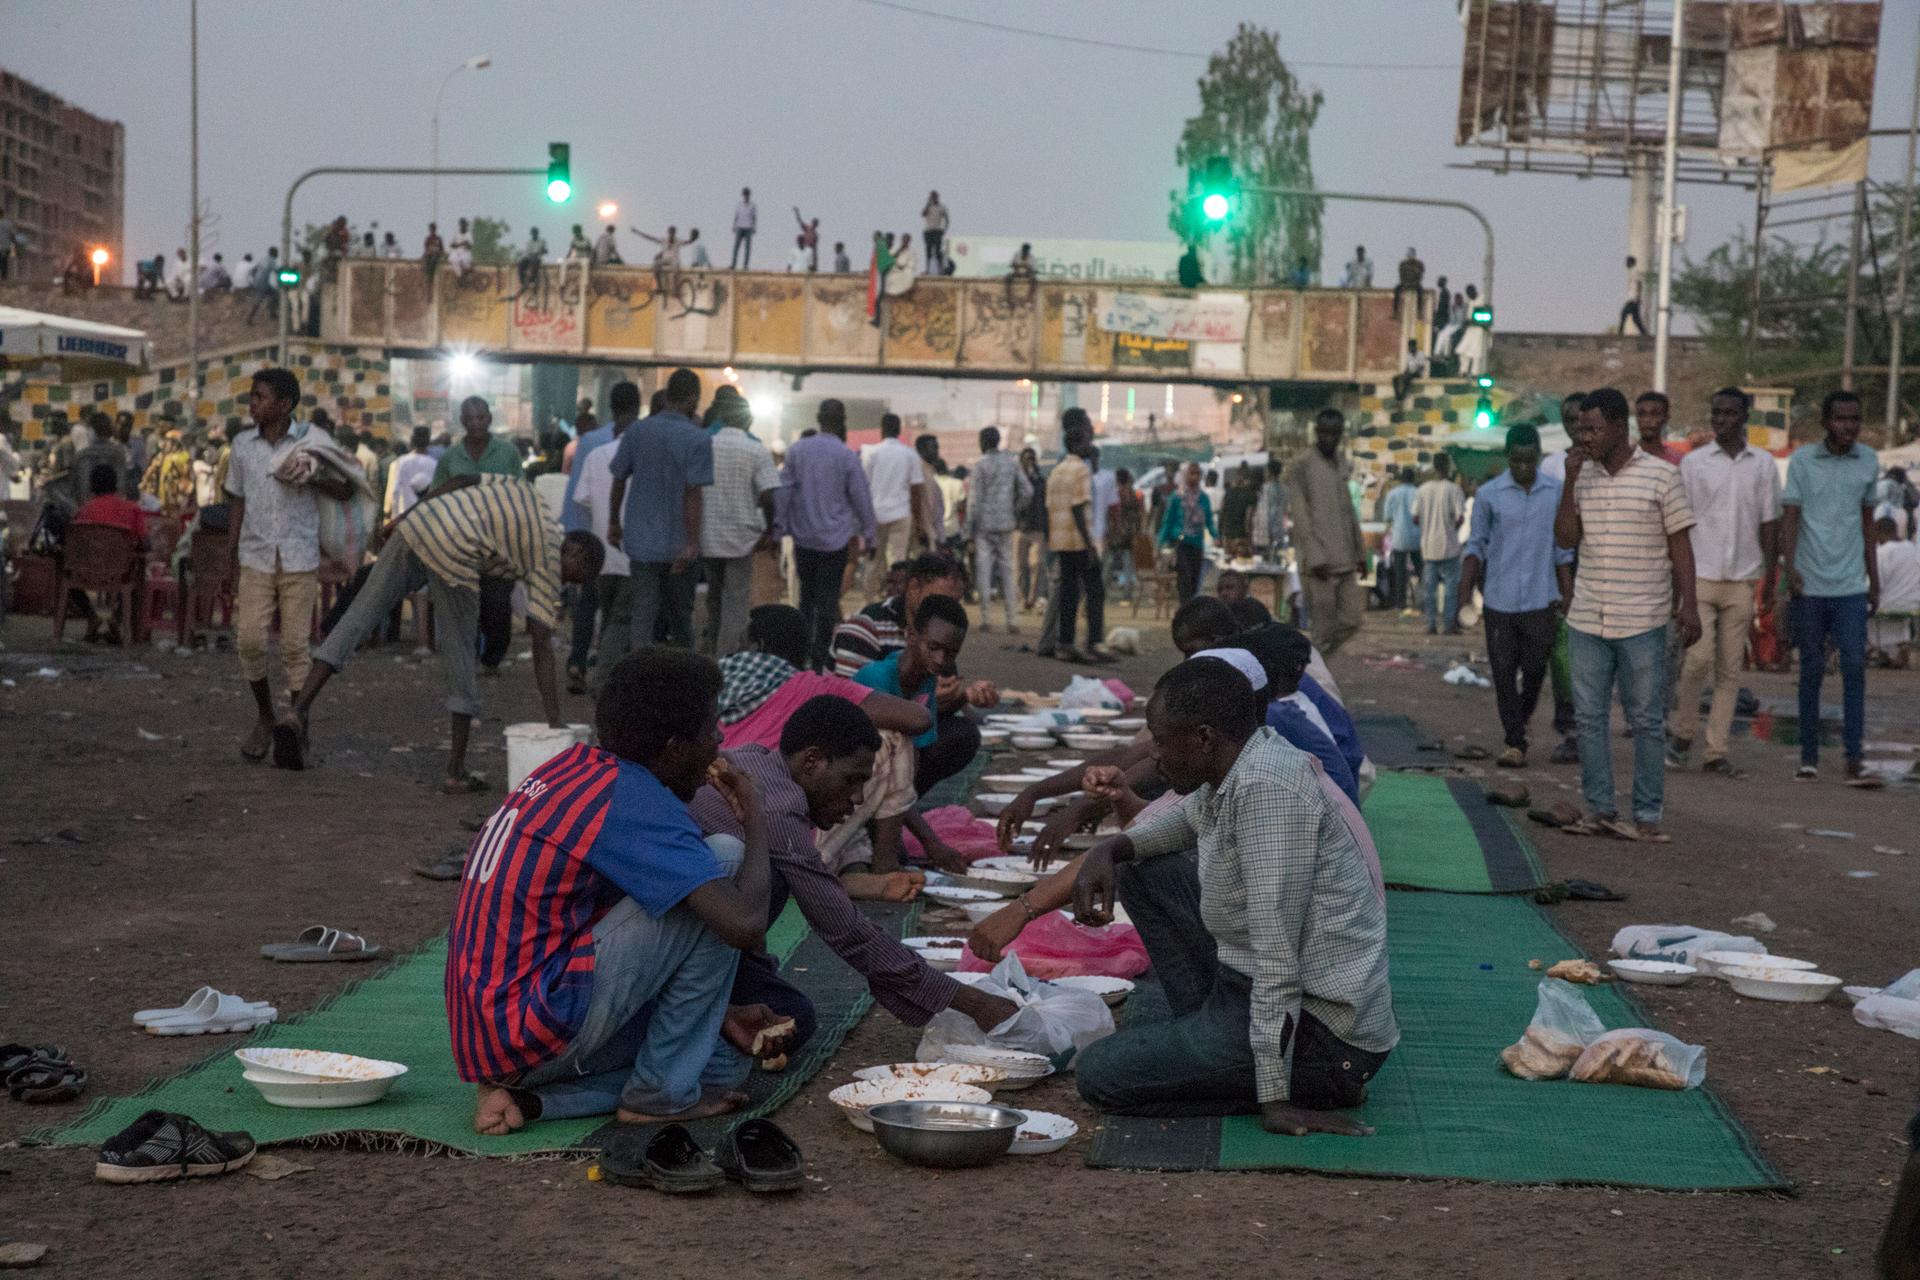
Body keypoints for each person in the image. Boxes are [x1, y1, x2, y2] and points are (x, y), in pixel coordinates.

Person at [449, 647, 784, 1134]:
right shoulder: (631, 799)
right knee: (726, 857)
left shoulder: (573, 768)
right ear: (673, 748)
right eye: (712, 729)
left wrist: (717, 1012)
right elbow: (745, 927)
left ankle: (536, 1102)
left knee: (723, 1065)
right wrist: (755, 817)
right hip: (529, 1026)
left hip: (494, 1034)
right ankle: (659, 1096)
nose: (721, 741)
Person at [1068, 657, 1397, 1132]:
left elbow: (1277, 959)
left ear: (1203, 737)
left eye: (1161, 741)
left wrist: (1274, 1097)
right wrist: (1111, 848)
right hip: (1251, 990)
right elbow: (1181, 822)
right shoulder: (1243, 758)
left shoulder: (1268, 792)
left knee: (1100, 1076)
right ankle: (1212, 1043)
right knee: (1142, 871)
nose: (1154, 757)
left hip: (1323, 1035)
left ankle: (1302, 1085)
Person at [692, 692, 1018, 1062]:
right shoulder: (779, 807)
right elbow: (847, 931)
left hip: (704, 926)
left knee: (788, 1011)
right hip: (683, 941)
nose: (859, 798)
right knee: (788, 1020)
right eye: (852, 780)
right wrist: (972, 1002)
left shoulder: (757, 760)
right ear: (812, 761)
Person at [291, 471, 602, 787]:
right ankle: (455, 771)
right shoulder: (550, 559)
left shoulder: (530, 495)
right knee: (461, 654)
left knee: (354, 620)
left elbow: (462, 479)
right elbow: (540, 641)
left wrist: (407, 516)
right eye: (576, 577)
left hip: (421, 523)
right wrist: (555, 722)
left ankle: (297, 710)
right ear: (576, 552)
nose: (567, 584)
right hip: (458, 552)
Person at [1554, 387, 1700, 841]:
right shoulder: (1582, 476)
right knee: (1590, 719)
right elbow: (1564, 540)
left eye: (1595, 429)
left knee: (1645, 722)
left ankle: (1647, 816)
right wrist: (1568, 482)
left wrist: (1688, 604)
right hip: (1588, 617)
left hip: (1643, 617)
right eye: (1582, 430)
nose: (1588, 437)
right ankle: (1599, 809)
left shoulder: (1661, 476)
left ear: (1620, 427)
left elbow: (1681, 546)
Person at [224, 369, 353, 764]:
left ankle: (296, 725)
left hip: (298, 555)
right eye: (252, 396)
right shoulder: (243, 445)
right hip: (255, 555)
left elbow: (346, 487)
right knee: (249, 640)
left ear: (284, 405)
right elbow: (237, 501)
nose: (253, 403)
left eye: (260, 397)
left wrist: (311, 476)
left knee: (296, 647)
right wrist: (229, 555)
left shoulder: (314, 442)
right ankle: (266, 716)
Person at [1670, 387, 1781, 778]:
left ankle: (1715, 750)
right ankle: (1683, 733)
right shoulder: (1694, 464)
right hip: (1700, 575)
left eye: (1729, 413)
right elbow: (1679, 525)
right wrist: (1677, 584)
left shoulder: (1763, 465)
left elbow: (1770, 524)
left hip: (1743, 578)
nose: (1721, 419)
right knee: (1698, 659)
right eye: (1716, 412)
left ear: (1743, 417)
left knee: (1730, 669)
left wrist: (1769, 579)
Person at [1780, 390, 1883, 788]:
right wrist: (1791, 569)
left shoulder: (1869, 461)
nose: (1849, 426)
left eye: (1854, 419)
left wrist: (1874, 579)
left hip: (1851, 586)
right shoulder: (1803, 460)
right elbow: (1790, 519)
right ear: (1825, 422)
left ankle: (1854, 757)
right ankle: (1808, 757)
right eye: (1841, 419)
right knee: (1811, 670)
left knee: (1855, 667)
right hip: (1811, 583)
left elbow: (1868, 524)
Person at [1460, 425, 1574, 768]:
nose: (1523, 466)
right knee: (1504, 671)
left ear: (1537, 456)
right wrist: (1463, 590)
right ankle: (1514, 741)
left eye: (1529, 459)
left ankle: (1521, 717)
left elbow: (1561, 551)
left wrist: (1567, 592)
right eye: (1517, 460)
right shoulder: (1489, 495)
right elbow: (1476, 543)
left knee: (1537, 668)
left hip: (1542, 597)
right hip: (1500, 598)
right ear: (1508, 457)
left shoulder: (1554, 493)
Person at [608, 369, 713, 651]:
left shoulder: (638, 431)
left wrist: (613, 523)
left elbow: (618, 478)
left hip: (641, 541)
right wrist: (691, 543)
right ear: (694, 399)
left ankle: (641, 677)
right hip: (679, 545)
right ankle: (683, 680)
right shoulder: (698, 439)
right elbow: (693, 493)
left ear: (667, 395)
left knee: (642, 614)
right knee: (681, 618)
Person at [852, 594, 993, 797]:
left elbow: (919, 747)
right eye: (933, 647)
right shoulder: (877, 677)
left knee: (964, 734)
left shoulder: (927, 679)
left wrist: (906, 796)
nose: (940, 659)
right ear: (910, 635)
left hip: (895, 771)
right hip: (860, 772)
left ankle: (902, 806)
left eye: (950, 653)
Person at [776, 400, 877, 670]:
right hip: (835, 541)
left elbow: (784, 491)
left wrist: (778, 527)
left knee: (806, 599)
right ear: (842, 421)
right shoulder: (846, 456)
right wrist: (870, 535)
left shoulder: (797, 451)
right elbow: (861, 498)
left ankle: (801, 656)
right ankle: (821, 659)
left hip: (804, 539)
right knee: (828, 602)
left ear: (818, 419)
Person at [433, 397, 525, 674]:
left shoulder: (507, 453)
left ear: (489, 419)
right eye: (470, 418)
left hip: (500, 543)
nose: (476, 423)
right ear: (462, 421)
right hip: (460, 544)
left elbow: (520, 494)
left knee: (497, 606)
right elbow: (437, 497)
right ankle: (467, 660)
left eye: (481, 418)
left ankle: (492, 659)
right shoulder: (451, 458)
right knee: (464, 605)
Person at [562, 383, 640, 689]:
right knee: (620, 622)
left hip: (599, 553)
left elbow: (579, 498)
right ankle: (604, 680)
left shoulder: (595, 452)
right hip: (632, 552)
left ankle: (586, 665)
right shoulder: (642, 454)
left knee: (600, 613)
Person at [700, 390, 782, 658]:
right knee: (735, 601)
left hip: (707, 534)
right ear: (747, 420)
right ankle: (727, 660)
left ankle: (713, 650)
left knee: (714, 597)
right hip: (741, 536)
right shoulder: (755, 449)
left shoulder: (704, 443)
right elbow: (770, 494)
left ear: (721, 416)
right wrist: (771, 530)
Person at [1287, 409, 1366, 654]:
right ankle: (1312, 681)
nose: (1330, 438)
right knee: (1322, 630)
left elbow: (1349, 512)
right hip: (1319, 564)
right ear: (1317, 432)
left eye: (1335, 433)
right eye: (1326, 432)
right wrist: (1314, 557)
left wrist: (1361, 553)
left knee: (1353, 620)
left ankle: (1312, 667)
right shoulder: (1301, 465)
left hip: (1345, 560)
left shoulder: (1340, 463)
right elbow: (1301, 517)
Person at [1042, 410, 1111, 664]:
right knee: (1095, 591)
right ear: (1076, 444)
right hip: (1078, 540)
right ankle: (1093, 642)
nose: (1089, 445)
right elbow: (1078, 507)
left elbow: (1051, 506)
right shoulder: (1081, 469)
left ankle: (1065, 643)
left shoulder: (1057, 470)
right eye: (1085, 442)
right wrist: (1090, 543)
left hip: (1060, 541)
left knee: (1069, 594)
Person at [831, 551, 966, 678]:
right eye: (939, 600)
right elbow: (850, 696)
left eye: (955, 603)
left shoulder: (940, 634)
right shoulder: (866, 628)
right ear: (914, 588)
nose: (948, 609)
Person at [66, 463, 150, 643]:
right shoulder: (132, 510)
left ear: (92, 485)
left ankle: (93, 614)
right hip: (120, 574)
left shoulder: (84, 511)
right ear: (116, 484)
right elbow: (146, 544)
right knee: (136, 578)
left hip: (85, 574)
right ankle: (116, 620)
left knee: (65, 574)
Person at [966, 425, 1032, 633]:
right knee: (1008, 572)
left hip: (985, 525)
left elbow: (973, 501)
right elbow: (1027, 491)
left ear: (983, 442)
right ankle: (1012, 620)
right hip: (1006, 523)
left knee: (984, 572)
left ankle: (986, 619)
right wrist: (1015, 509)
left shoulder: (980, 465)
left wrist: (969, 530)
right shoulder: (1011, 464)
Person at [860, 414, 925, 595]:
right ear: (898, 430)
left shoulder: (871, 453)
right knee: (897, 560)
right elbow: (916, 490)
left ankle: (869, 600)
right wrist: (918, 522)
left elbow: (863, 486)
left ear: (882, 430)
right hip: (901, 513)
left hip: (875, 513)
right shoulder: (910, 454)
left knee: (873, 560)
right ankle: (895, 600)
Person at [1414, 453, 1466, 635]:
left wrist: (1427, 523)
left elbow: (1415, 517)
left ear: (1434, 467)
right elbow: (1460, 518)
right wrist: (1451, 526)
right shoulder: (1455, 490)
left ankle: (1430, 624)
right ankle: (1449, 624)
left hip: (1428, 546)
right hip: (1449, 545)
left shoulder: (1422, 490)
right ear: (1448, 467)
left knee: (1430, 589)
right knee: (1451, 589)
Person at [1157, 461, 1216, 604]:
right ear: (1185, 475)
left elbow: (1209, 520)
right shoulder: (1176, 497)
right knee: (1185, 579)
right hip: (1180, 544)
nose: (1195, 477)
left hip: (1197, 544)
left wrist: (1216, 536)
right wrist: (1159, 544)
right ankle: (1185, 610)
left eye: (1198, 473)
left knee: (1196, 580)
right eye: (1192, 473)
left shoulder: (1204, 498)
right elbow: (1168, 522)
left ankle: (1190, 610)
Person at [1873, 516, 1920, 664]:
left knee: (1861, 608)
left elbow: (1876, 585)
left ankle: (1882, 650)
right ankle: (1900, 646)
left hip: (1889, 606)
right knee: (1899, 618)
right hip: (1914, 604)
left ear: (1879, 533)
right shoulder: (1912, 548)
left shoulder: (1881, 552)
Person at [1379, 467, 1419, 613]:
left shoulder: (1392, 493)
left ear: (1401, 478)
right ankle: (1423, 601)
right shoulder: (1418, 493)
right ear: (1413, 478)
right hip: (1416, 536)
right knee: (1421, 570)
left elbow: (1387, 517)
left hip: (1399, 536)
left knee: (1399, 571)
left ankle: (1400, 603)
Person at [1015, 446, 1048, 609]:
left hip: (1037, 528)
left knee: (1036, 565)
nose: (1030, 462)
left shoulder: (1041, 481)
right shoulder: (1016, 482)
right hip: (1019, 529)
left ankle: (1032, 599)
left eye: (1032, 459)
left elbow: (1045, 504)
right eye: (1027, 459)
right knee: (1021, 567)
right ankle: (1022, 599)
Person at [384, 426, 437, 520]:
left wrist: (388, 510)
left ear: (412, 440)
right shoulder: (434, 464)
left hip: (403, 514)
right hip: (425, 516)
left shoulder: (401, 462)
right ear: (428, 442)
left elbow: (394, 488)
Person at [1106, 467, 1144, 597]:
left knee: (1110, 561)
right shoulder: (1134, 494)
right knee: (1128, 562)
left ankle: (1102, 589)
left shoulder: (1116, 494)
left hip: (1118, 532)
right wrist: (1138, 530)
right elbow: (1139, 514)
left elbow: (1112, 514)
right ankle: (1128, 591)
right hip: (1130, 532)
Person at [1634, 391, 1683, 464]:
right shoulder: (1623, 458)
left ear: (1666, 418)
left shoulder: (1678, 461)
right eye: (1641, 414)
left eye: (1654, 414)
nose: (1647, 420)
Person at [921, 191, 949, 273]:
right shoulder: (928, 206)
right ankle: (927, 269)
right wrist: (928, 203)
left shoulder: (942, 207)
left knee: (938, 251)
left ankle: (940, 269)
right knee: (928, 251)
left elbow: (947, 219)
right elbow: (923, 214)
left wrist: (944, 229)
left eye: (935, 196)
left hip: (937, 231)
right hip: (928, 231)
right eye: (932, 196)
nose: (934, 198)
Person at [1618, 256, 1647, 335]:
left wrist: (1637, 296)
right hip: (1632, 298)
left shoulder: (1635, 271)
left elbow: (1639, 284)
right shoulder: (1632, 272)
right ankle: (1644, 333)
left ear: (1631, 262)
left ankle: (1620, 333)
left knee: (1624, 314)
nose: (1626, 264)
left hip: (1633, 299)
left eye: (1627, 262)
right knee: (1636, 319)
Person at [1392, 247, 1424, 318]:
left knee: (1420, 290)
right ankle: (1395, 312)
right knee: (1397, 289)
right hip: (1405, 283)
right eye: (1409, 254)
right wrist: (1405, 284)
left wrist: (1414, 283)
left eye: (1412, 254)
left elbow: (1420, 277)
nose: (1410, 256)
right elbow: (1401, 276)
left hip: (1415, 284)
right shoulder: (1403, 264)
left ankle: (1419, 312)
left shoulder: (1419, 264)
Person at [731, 187, 757, 268]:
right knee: (736, 247)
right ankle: (733, 264)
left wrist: (754, 227)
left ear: (749, 195)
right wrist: (734, 225)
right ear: (743, 195)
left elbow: (754, 217)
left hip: (748, 227)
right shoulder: (739, 204)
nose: (746, 196)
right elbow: (736, 215)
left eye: (747, 194)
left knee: (747, 248)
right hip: (739, 226)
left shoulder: (752, 206)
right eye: (745, 194)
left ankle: (745, 265)